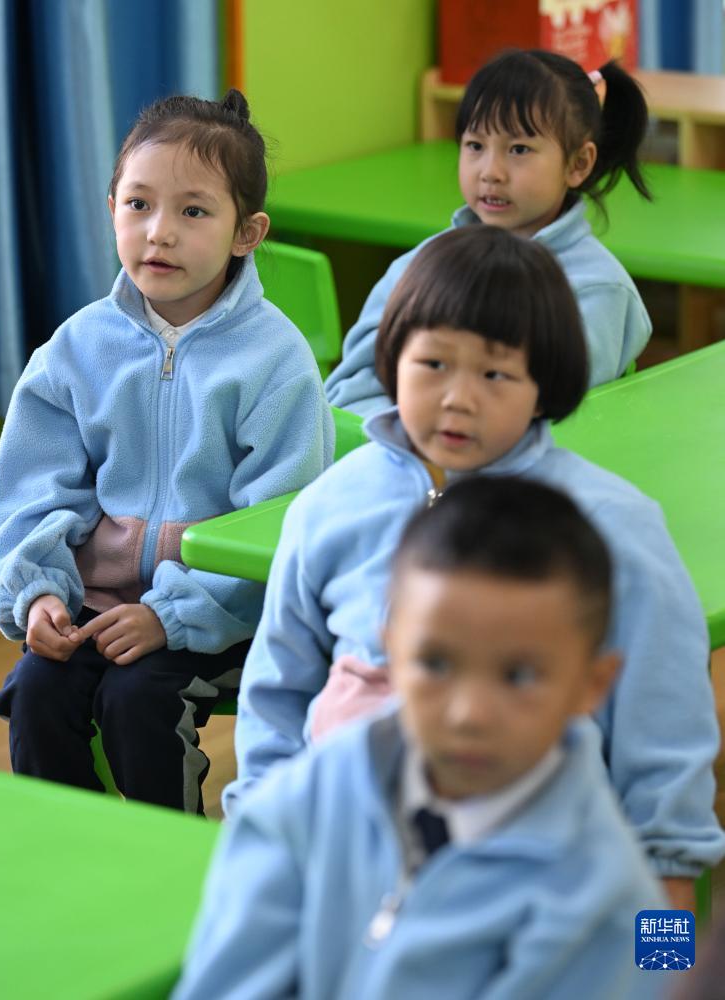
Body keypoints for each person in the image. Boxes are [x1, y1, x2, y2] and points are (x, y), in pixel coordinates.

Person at [230, 225, 724, 911]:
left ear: (544, 385)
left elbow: (663, 735)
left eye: (494, 373)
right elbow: (276, 697)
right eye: (433, 363)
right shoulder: (329, 506)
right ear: (392, 360)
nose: (457, 398)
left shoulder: (611, 527)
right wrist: (265, 848)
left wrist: (662, 948)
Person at [175, 477, 668, 1000]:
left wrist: (675, 849)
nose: (469, 714)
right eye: (435, 663)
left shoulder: (605, 902)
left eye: (519, 675)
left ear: (593, 684)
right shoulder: (308, 797)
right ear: (390, 648)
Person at [0, 90, 334, 813]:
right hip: (94, 602)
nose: (159, 232)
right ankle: (69, 855)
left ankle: (165, 858)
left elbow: (279, 525)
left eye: (194, 211)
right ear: (112, 208)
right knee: (38, 692)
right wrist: (40, 591)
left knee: (138, 700)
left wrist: (173, 616)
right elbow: (32, 491)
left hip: (223, 616)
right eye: (139, 204)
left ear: (247, 233)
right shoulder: (76, 349)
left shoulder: (276, 361)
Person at [325, 47, 652, 417]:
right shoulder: (420, 267)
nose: (491, 172)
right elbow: (349, 394)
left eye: (519, 149)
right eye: (475, 145)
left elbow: (545, 413)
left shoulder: (596, 290)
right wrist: (405, 438)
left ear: (578, 164)